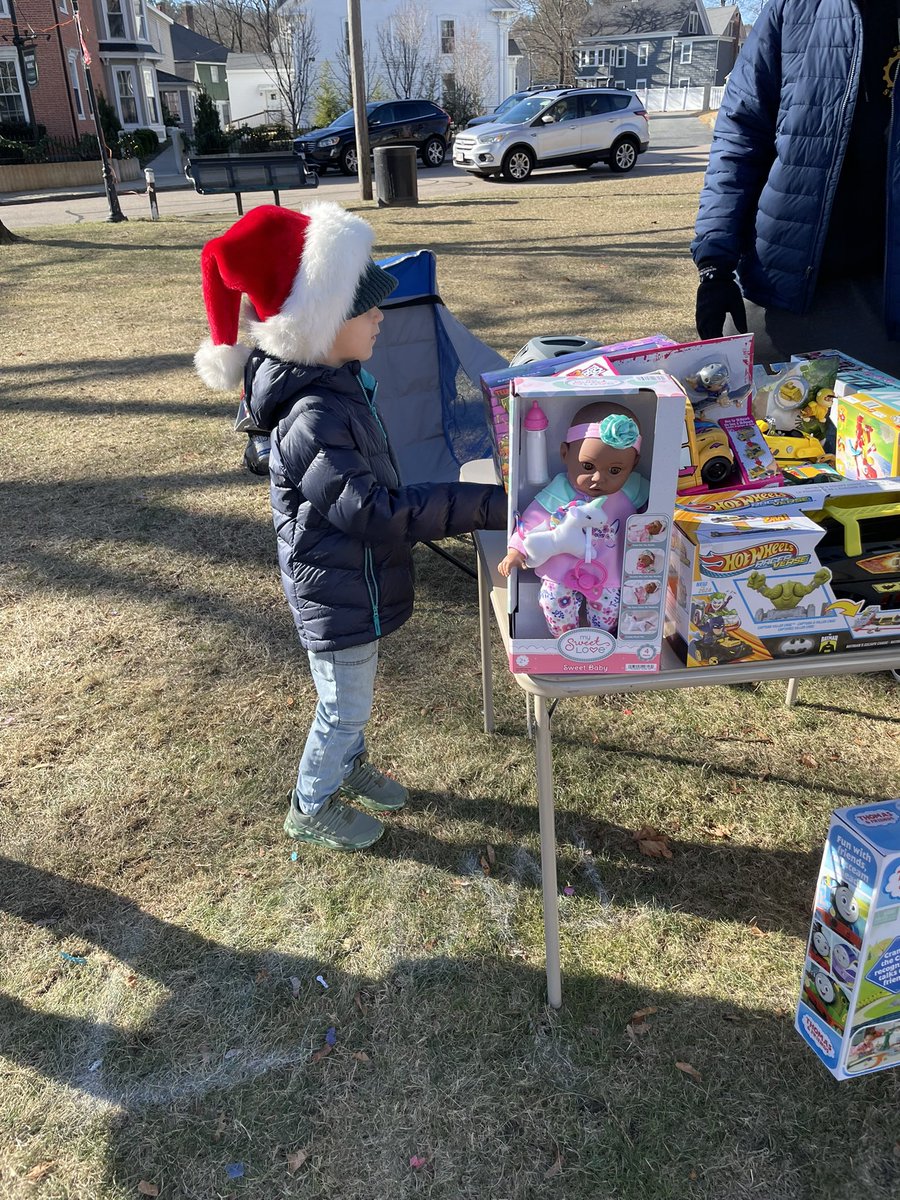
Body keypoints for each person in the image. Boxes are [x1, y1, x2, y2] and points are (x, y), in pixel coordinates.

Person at [195, 203, 507, 852]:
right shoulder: (312, 414)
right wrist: (482, 505)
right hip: (334, 588)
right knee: (342, 706)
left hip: (350, 579)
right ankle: (311, 804)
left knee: (351, 698)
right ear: (319, 325)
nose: (380, 317)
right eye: (364, 309)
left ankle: (348, 766)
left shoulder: (338, 382)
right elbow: (373, 512)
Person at [692, 0, 900, 375]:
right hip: (779, 290)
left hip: (884, 305)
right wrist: (714, 266)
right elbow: (738, 138)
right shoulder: (791, 9)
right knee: (744, 408)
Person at [497, 403, 648, 636]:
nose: (598, 478)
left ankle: (603, 640)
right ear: (565, 454)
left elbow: (659, 507)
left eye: (615, 471)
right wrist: (516, 551)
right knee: (553, 602)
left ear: (633, 465)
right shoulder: (560, 491)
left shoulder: (633, 489)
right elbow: (532, 521)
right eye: (588, 466)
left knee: (610, 611)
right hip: (560, 569)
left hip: (610, 569)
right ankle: (564, 639)